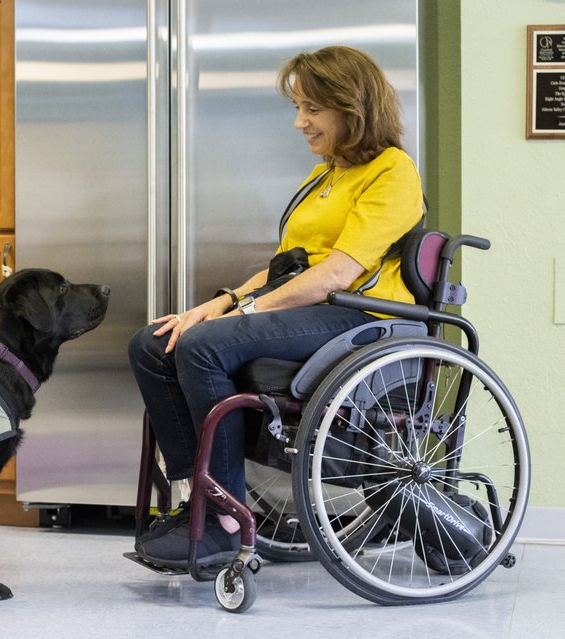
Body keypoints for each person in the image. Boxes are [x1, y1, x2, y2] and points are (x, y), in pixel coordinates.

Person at [128, 45, 424, 568]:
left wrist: (241, 316)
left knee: (200, 348)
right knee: (156, 343)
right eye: (298, 108)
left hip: (362, 315)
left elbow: (335, 274)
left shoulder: (392, 172)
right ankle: (198, 494)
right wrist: (220, 303)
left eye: (312, 109)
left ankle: (223, 515)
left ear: (351, 108)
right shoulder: (326, 174)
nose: (299, 123)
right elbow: (289, 266)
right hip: (315, 308)